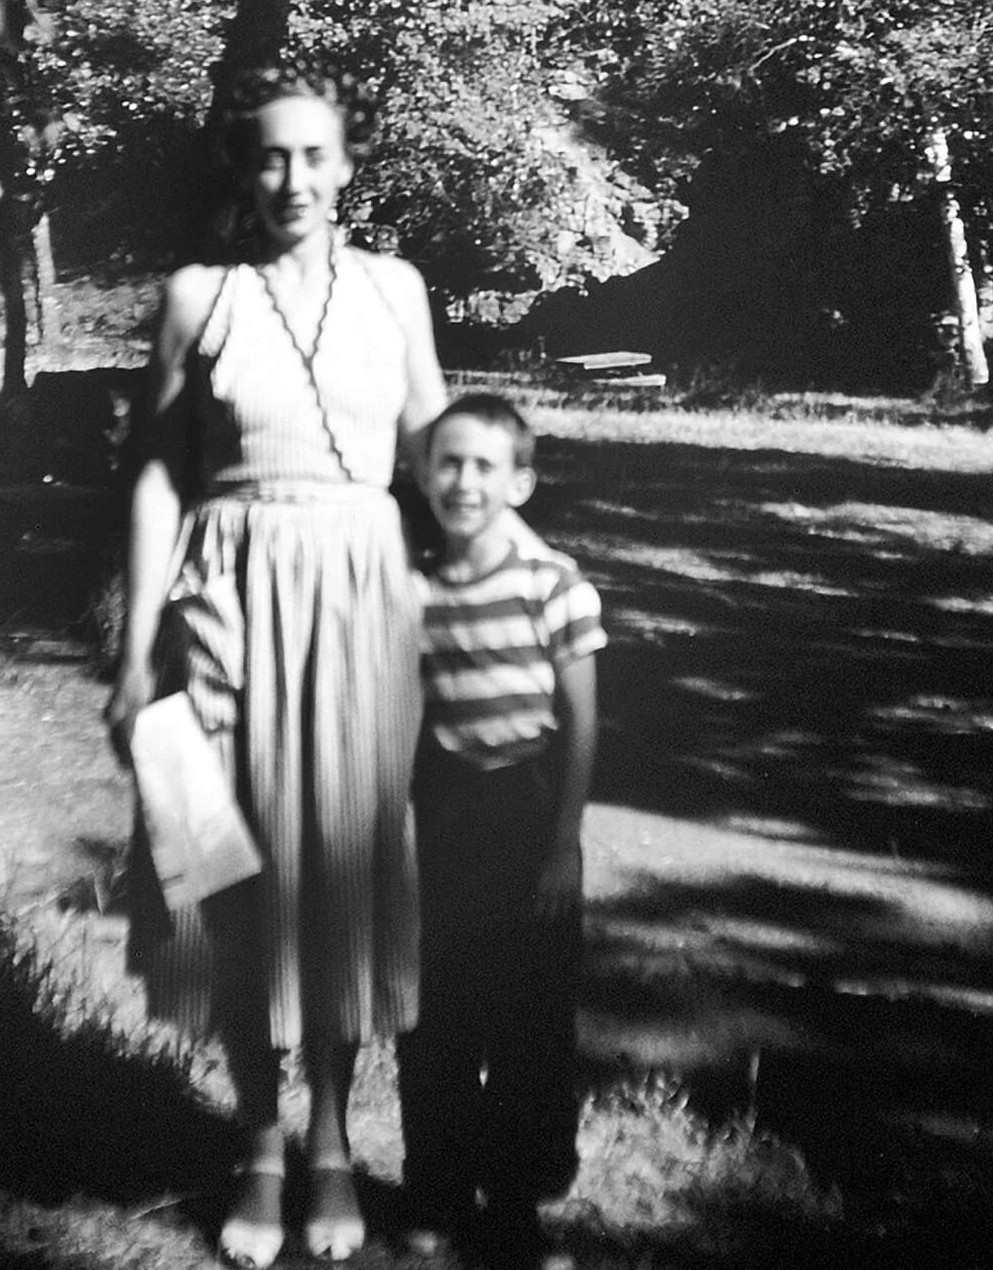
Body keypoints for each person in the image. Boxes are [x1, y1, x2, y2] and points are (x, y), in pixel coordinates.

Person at [104, 68, 446, 1268]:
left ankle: (337, 1143)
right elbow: (156, 474)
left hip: (359, 594)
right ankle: (258, 1140)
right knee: (232, 869)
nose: (292, 179)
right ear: (243, 173)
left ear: (348, 165)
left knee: (342, 865)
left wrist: (497, 590)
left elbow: (435, 456)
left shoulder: (396, 291)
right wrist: (139, 645)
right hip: (227, 596)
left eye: (314, 156)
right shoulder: (199, 297)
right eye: (269, 159)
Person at [398, 394, 605, 1270]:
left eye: (485, 466)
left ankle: (516, 1204)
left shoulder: (553, 582)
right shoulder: (410, 587)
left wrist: (564, 840)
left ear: (521, 480)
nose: (464, 481)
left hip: (527, 811)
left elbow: (584, 724)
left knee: (527, 1020)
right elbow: (402, 717)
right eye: (448, 462)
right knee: (437, 1010)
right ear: (421, 473)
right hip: (440, 813)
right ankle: (435, 1190)